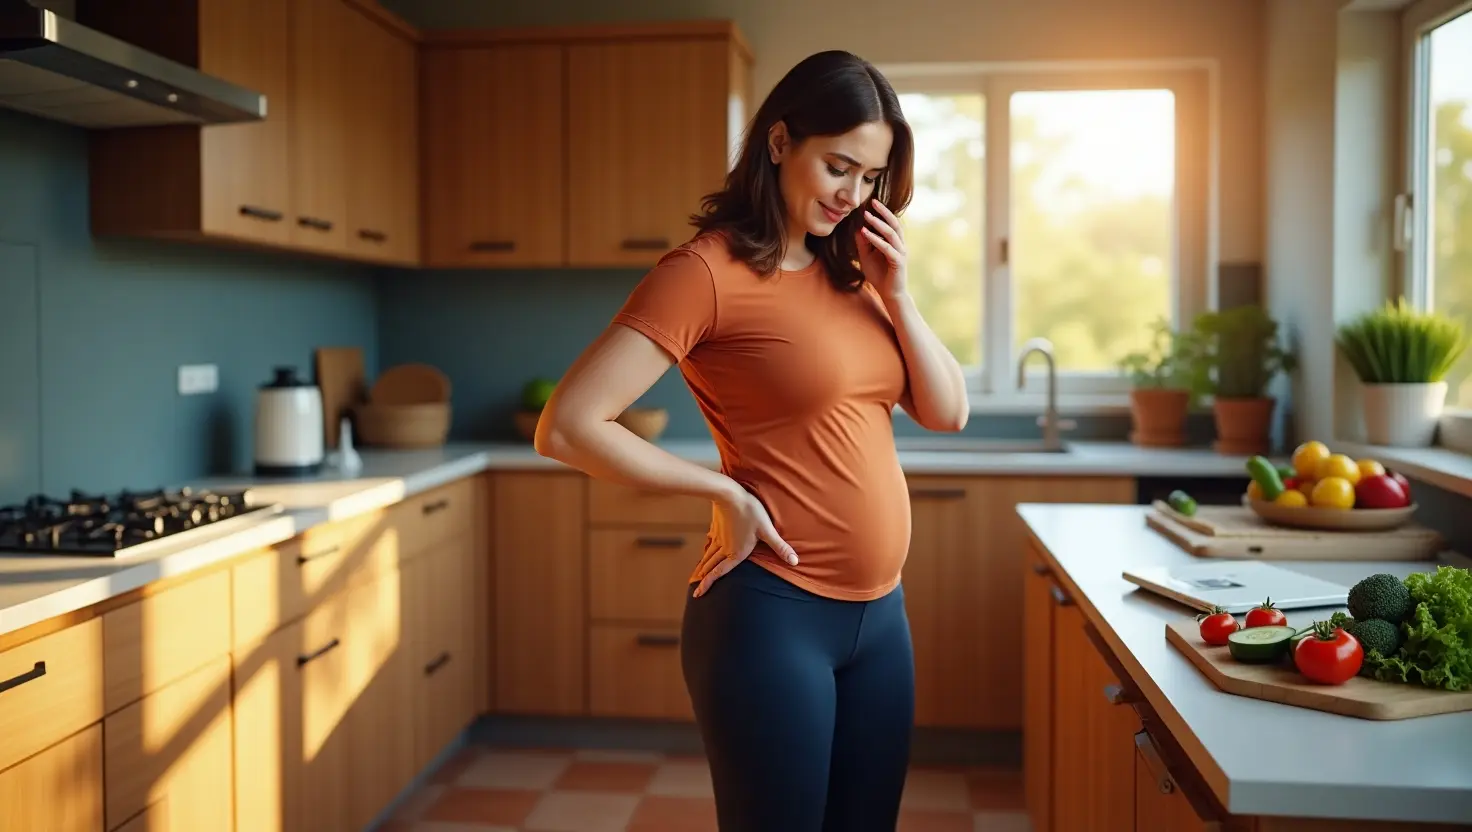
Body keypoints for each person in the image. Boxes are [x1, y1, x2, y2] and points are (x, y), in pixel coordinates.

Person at [534, 49, 969, 832]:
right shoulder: (705, 271)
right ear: (779, 142)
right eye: (839, 166)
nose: (854, 194)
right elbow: (567, 425)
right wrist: (719, 490)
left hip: (881, 618)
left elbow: (946, 412)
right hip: (771, 616)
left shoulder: (858, 274)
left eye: (870, 178)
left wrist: (899, 293)